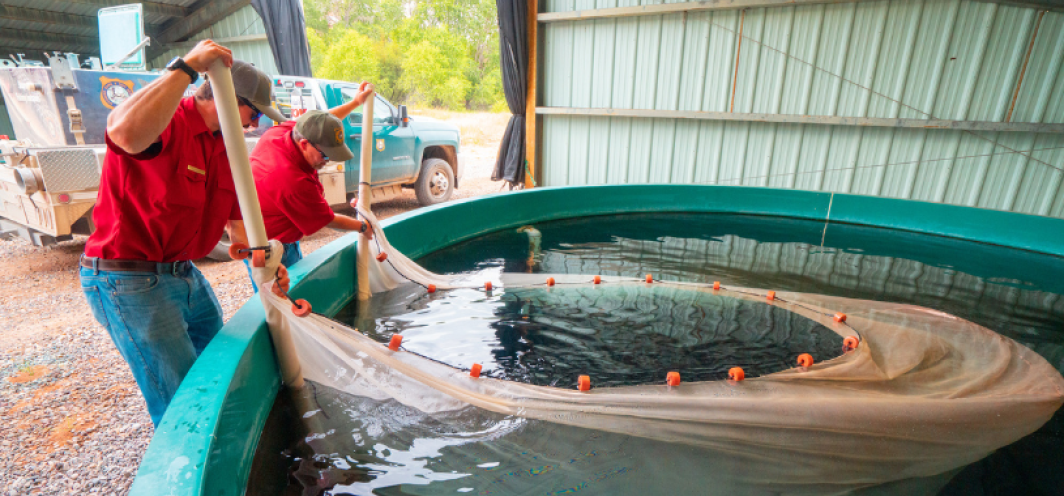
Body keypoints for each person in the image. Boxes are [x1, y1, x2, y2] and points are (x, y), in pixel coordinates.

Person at [79, 40, 290, 426]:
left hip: (183, 273)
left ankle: (222, 438)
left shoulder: (226, 146)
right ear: (228, 99)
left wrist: (268, 263)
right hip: (129, 279)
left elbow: (240, 227)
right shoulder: (168, 122)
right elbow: (124, 133)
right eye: (254, 113)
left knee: (217, 366)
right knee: (178, 397)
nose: (256, 124)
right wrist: (188, 65)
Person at [245, 83, 377, 287]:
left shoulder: (282, 133)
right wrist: (362, 226)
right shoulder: (292, 181)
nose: (327, 161)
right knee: (284, 301)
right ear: (304, 144)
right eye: (325, 154)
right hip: (273, 248)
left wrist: (355, 103)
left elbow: (319, 123)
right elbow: (327, 219)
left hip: (272, 226)